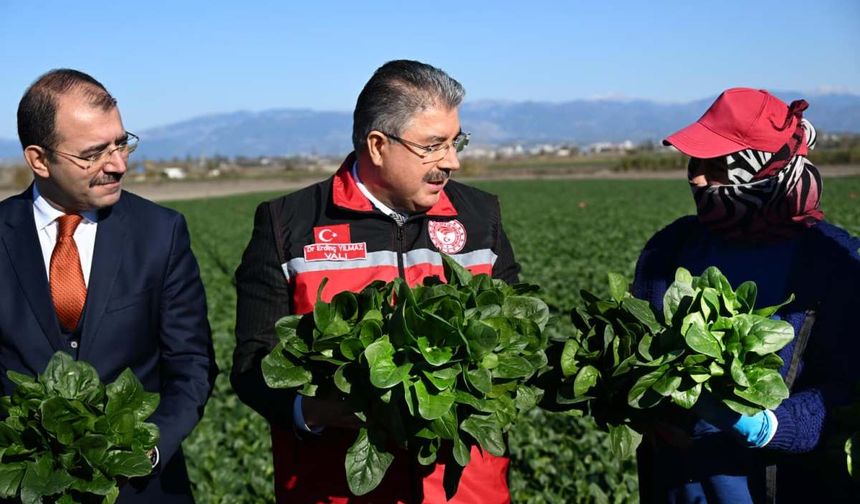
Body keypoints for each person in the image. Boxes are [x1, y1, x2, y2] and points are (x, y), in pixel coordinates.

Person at [233, 59, 520, 503]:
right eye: (433, 145)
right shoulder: (288, 224)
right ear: (378, 145)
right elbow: (253, 365)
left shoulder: (481, 217)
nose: (453, 161)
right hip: (336, 489)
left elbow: (518, 336)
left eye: (455, 141)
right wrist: (318, 410)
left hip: (465, 492)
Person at [0, 69, 217, 502]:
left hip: (143, 488)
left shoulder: (161, 232)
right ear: (39, 159)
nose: (117, 164)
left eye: (121, 143)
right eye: (94, 153)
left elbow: (192, 363)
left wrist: (146, 453)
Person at [633, 87, 860, 503]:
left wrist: (770, 426)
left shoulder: (833, 262)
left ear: (765, 170)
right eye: (694, 160)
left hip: (780, 486)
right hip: (680, 485)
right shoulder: (669, 249)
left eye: (716, 165)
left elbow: (847, 389)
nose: (696, 177)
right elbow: (638, 350)